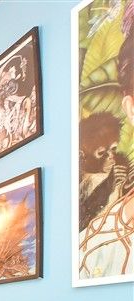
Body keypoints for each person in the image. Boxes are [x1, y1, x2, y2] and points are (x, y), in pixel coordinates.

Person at [79, 29, 134, 280]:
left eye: (112, 151)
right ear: (130, 109)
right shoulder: (93, 244)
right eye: (103, 153)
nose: (110, 159)